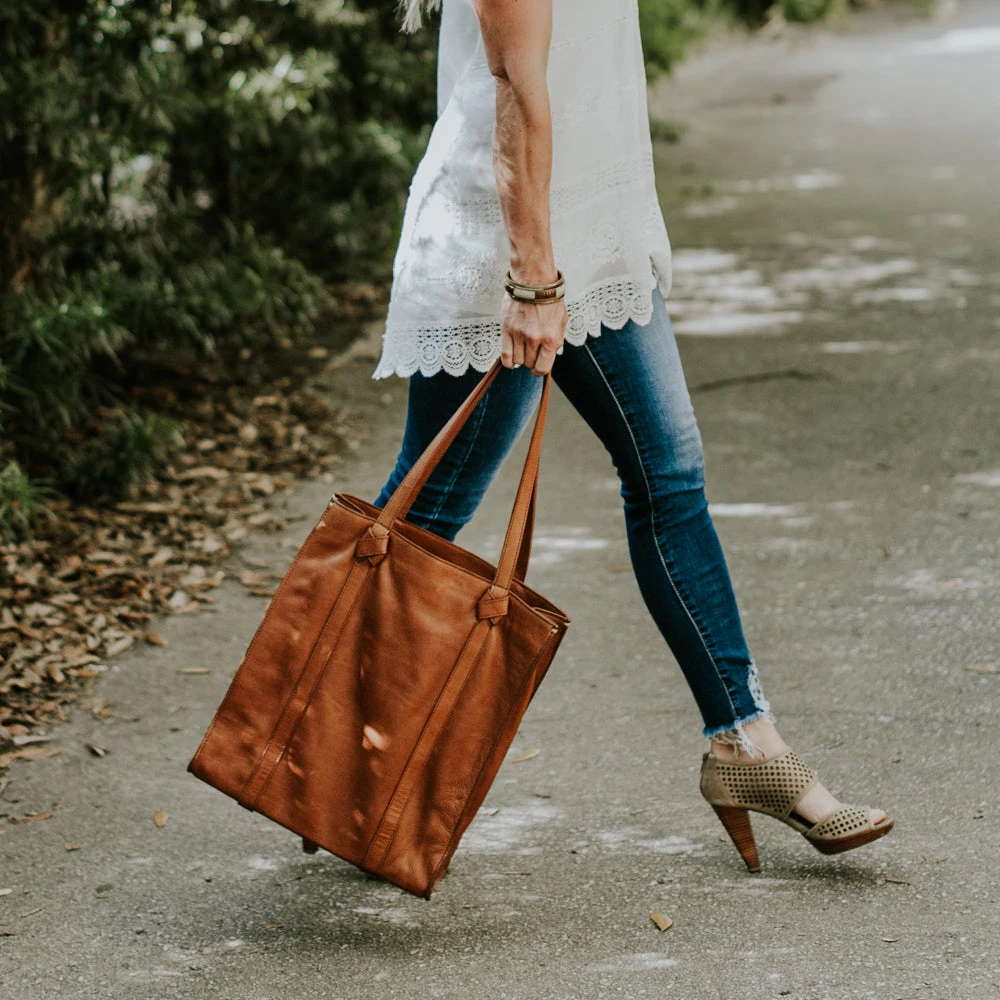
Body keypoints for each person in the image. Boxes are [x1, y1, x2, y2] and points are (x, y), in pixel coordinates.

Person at [372, 0, 893, 871]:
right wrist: (534, 280)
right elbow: (512, 82)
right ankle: (323, 740)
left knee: (669, 477)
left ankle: (745, 745)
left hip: (594, 228)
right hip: (511, 248)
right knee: (425, 522)